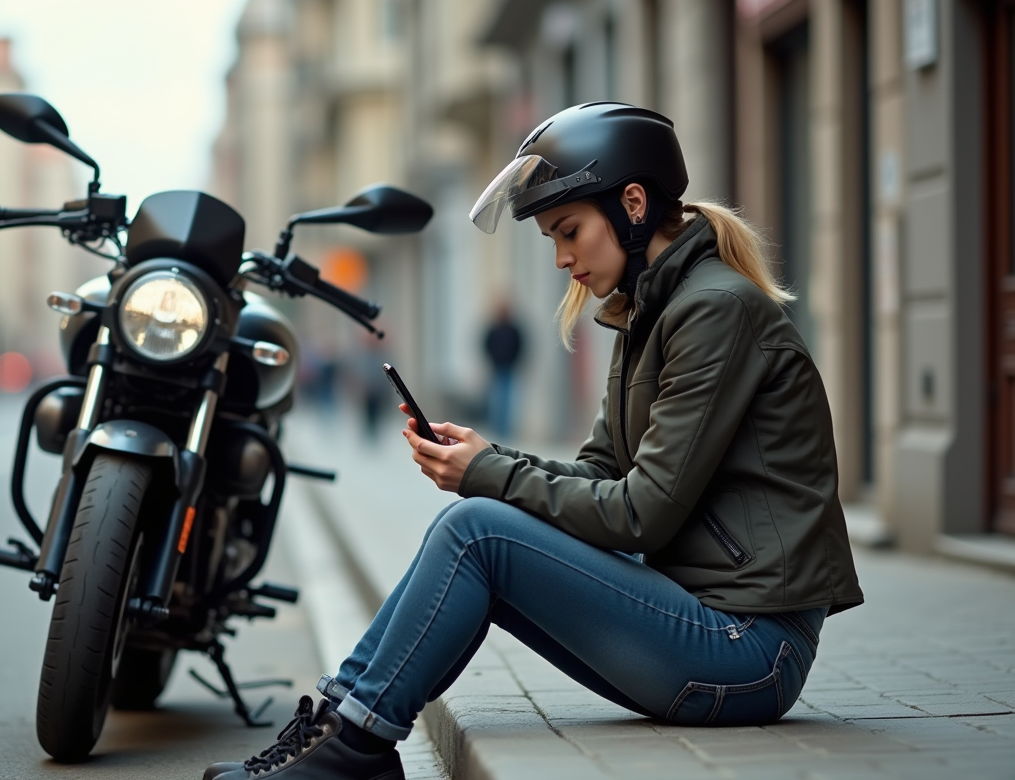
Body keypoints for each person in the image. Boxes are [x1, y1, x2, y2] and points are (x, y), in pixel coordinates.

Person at [199, 102, 863, 780]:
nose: (561, 258)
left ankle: (352, 746)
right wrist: (492, 459)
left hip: (751, 650)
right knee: (477, 526)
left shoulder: (714, 310)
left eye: (569, 231)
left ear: (633, 204)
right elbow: (601, 472)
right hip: (704, 625)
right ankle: (342, 725)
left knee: (475, 531)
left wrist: (486, 474)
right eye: (552, 238)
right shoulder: (651, 313)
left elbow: (642, 514)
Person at [481, 301, 524, 440]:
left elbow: (519, 346)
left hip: (509, 367)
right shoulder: (494, 329)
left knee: (507, 398)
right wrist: (491, 360)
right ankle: (496, 426)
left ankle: (505, 428)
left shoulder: (513, 329)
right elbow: (486, 345)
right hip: (496, 367)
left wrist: (515, 360)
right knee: (496, 398)